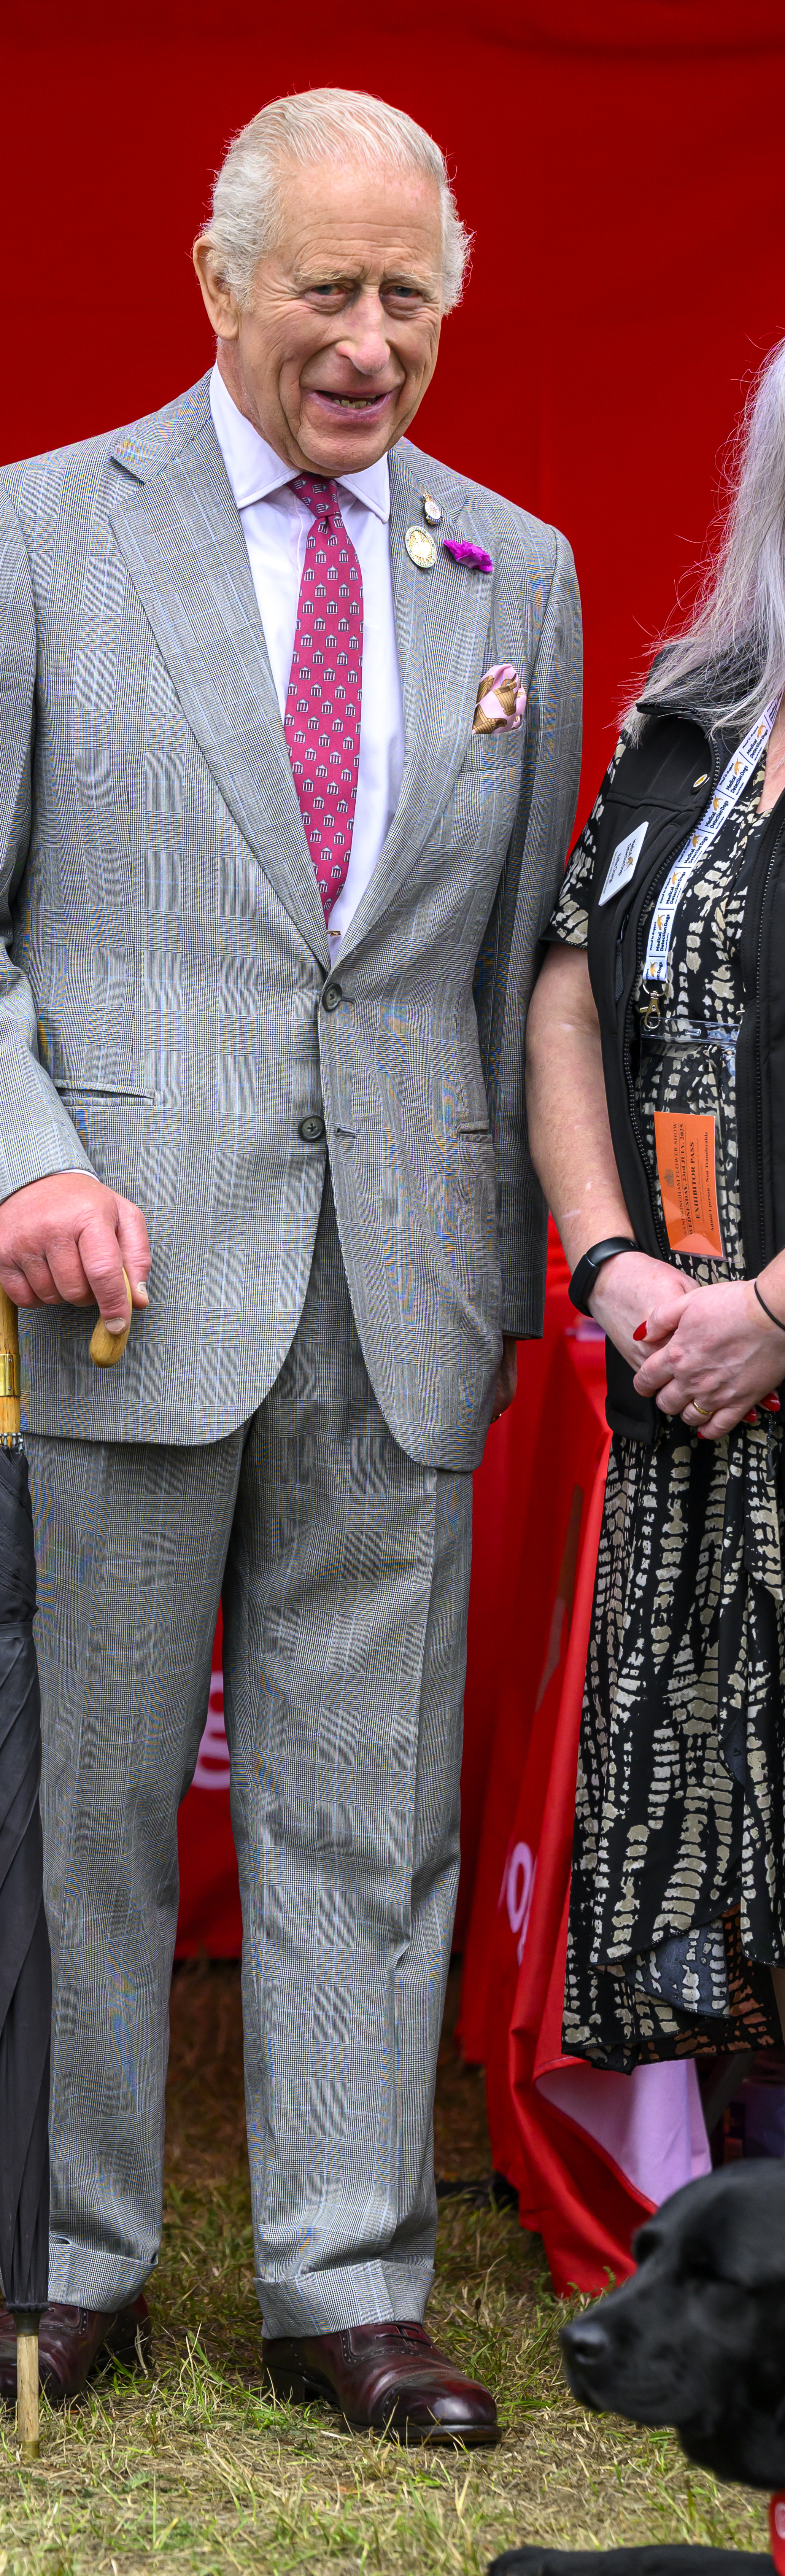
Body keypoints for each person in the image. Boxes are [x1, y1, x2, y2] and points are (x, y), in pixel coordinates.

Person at [0, 88, 581, 2441]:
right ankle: (65, 2265)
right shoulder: (33, 530)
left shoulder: (523, 573)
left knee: (367, 1803)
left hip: (401, 1277)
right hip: (114, 1280)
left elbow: (495, 980)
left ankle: (347, 2278)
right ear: (218, 283)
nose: (370, 346)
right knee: (79, 1806)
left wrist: (495, 1264)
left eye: (412, 302)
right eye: (329, 296)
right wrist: (23, 1170)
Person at [528, 338, 785, 2074]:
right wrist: (613, 1260)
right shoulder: (687, 716)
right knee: (726, 1868)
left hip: (754, 1338)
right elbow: (564, 990)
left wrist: (776, 1311)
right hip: (684, 1367)